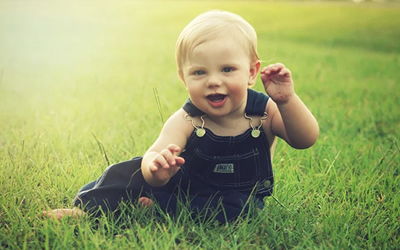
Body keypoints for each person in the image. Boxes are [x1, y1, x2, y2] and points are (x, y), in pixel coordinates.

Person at [41, 10, 319, 223]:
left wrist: (287, 101)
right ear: (183, 78)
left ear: (250, 72)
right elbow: (155, 153)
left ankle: (157, 209)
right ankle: (86, 209)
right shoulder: (187, 119)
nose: (213, 81)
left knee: (241, 210)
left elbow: (304, 139)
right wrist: (156, 169)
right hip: (183, 185)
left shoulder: (266, 111)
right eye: (199, 72)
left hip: (235, 197)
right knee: (130, 170)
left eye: (227, 69)